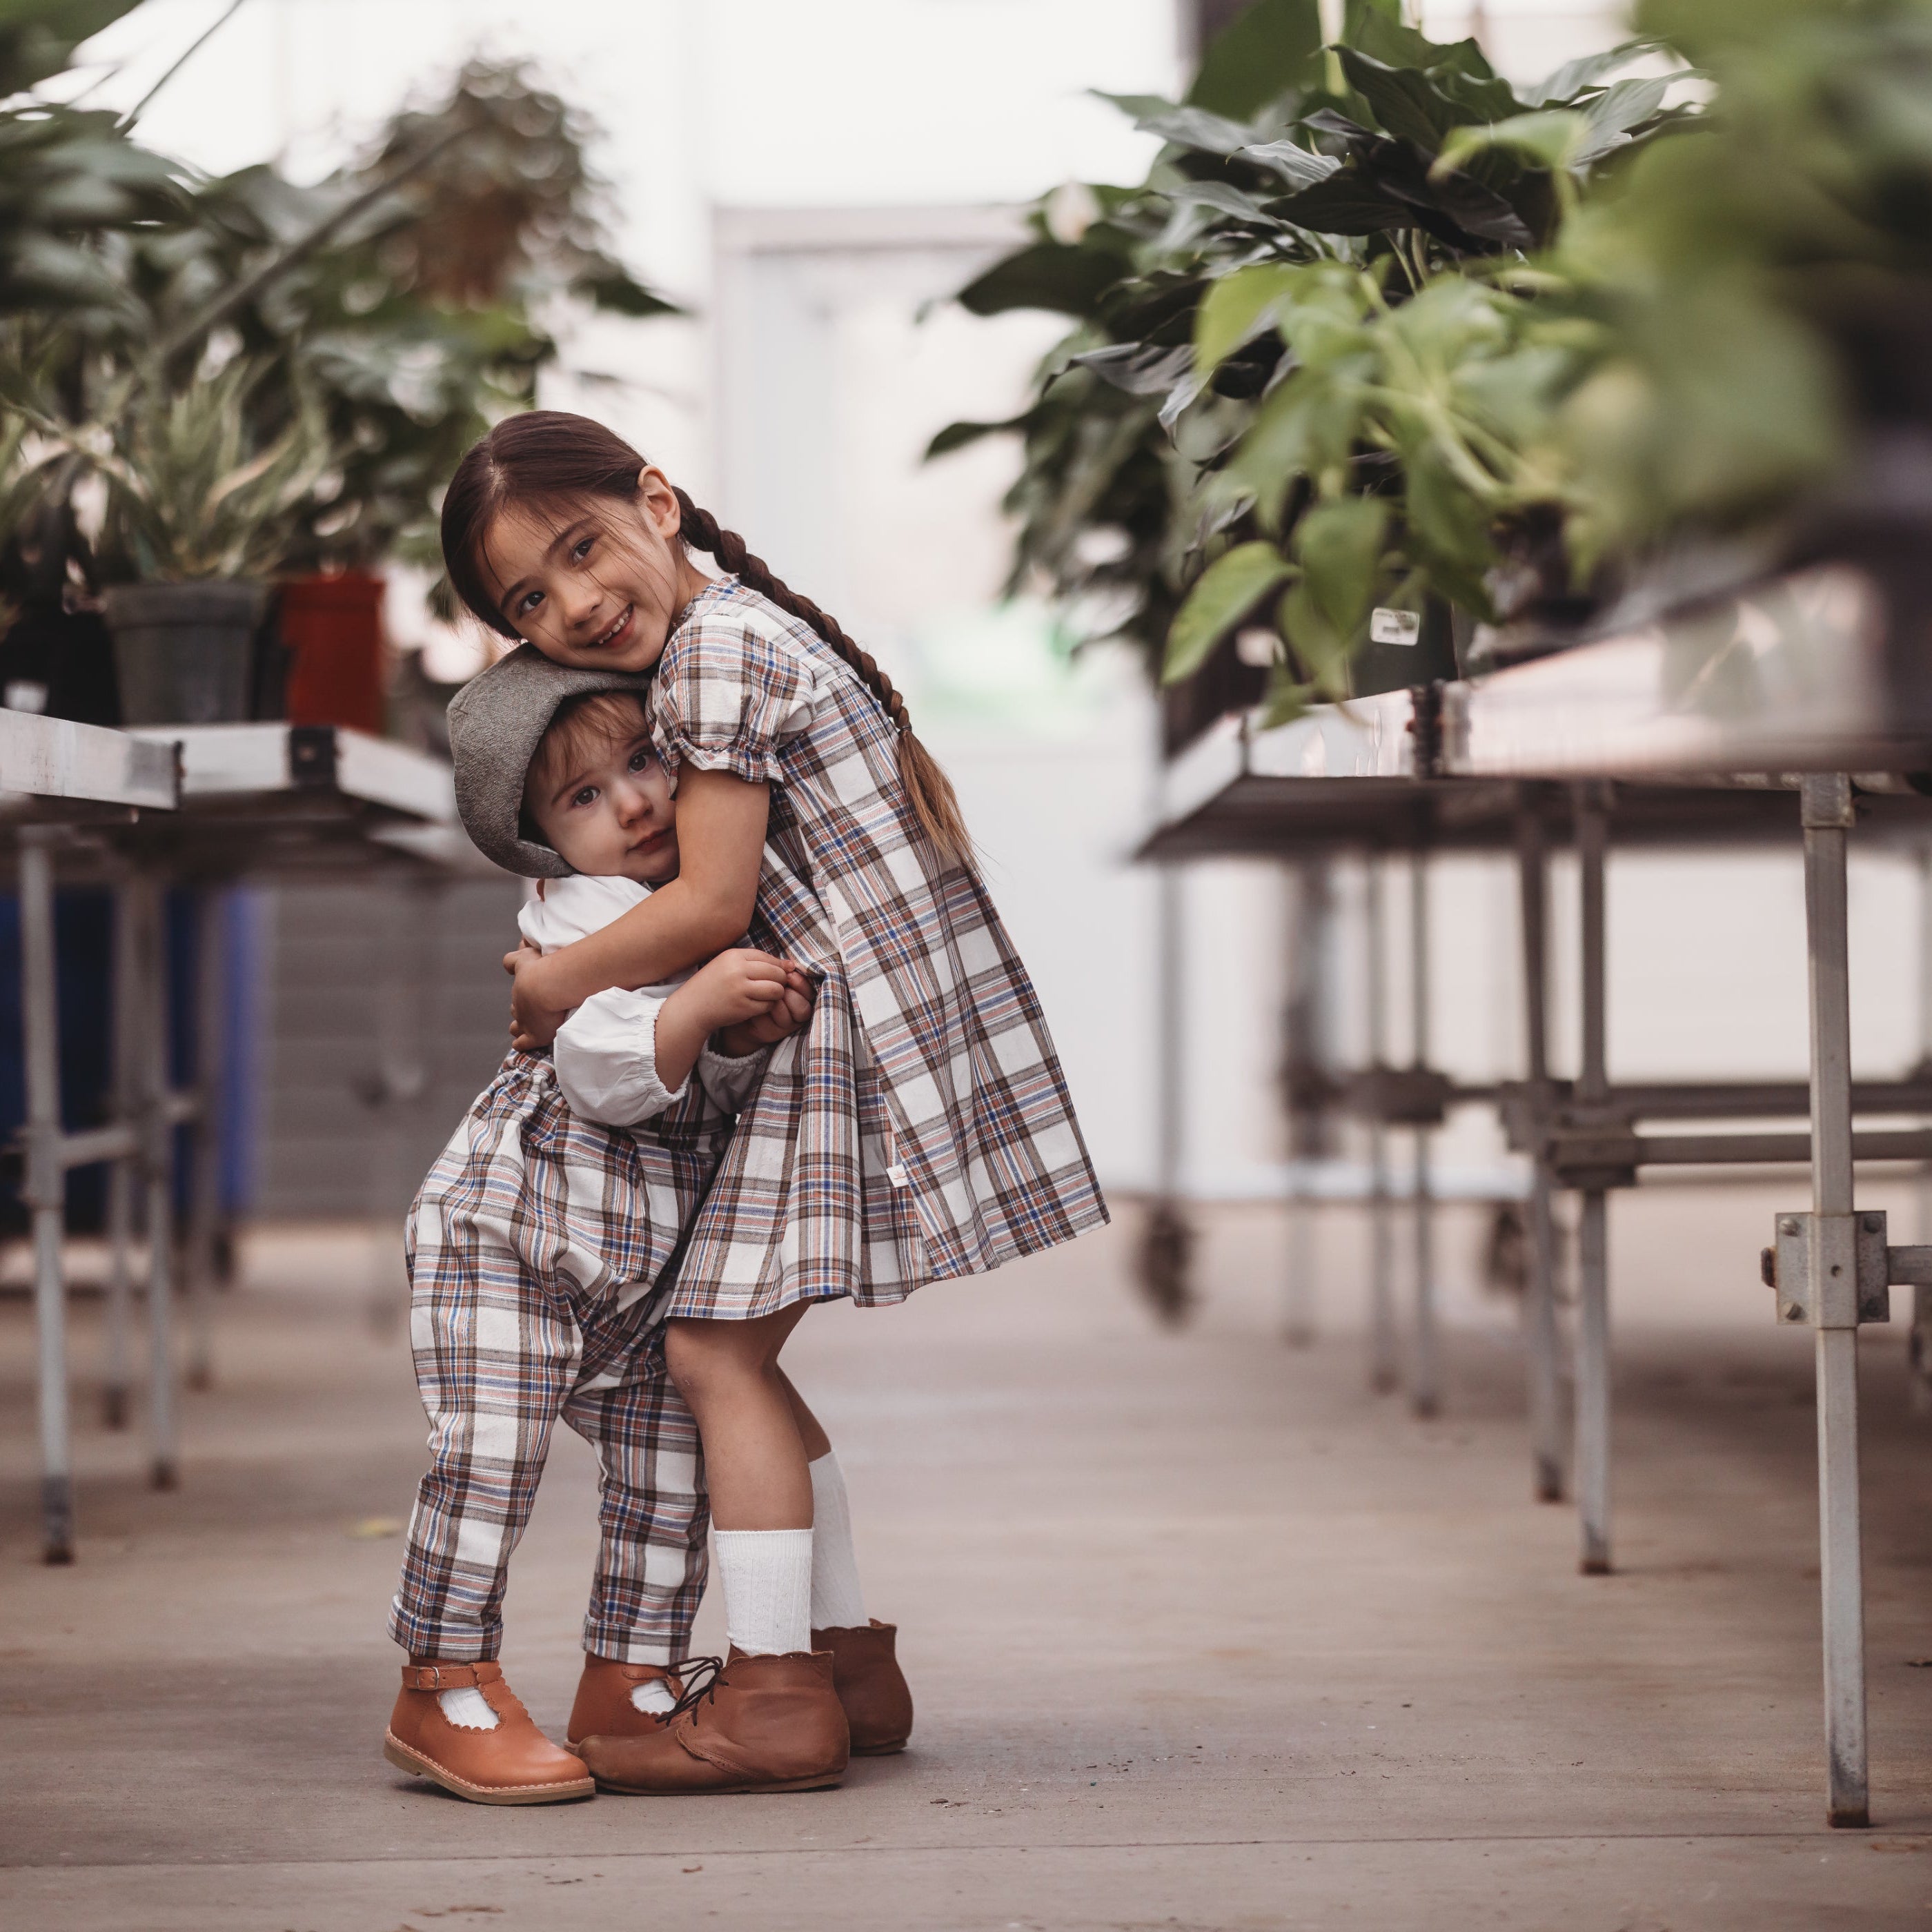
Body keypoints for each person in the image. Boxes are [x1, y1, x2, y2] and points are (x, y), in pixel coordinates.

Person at [434, 411, 1110, 1797]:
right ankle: (846, 1655)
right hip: (854, 1018)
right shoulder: (731, 631)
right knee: (732, 1355)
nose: (574, 602)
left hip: (842, 1032)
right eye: (529, 598)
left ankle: (773, 1691)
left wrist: (556, 978)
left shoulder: (718, 658)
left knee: (711, 1358)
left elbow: (710, 900)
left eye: (580, 546)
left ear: (657, 500)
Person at [384, 661, 815, 1805]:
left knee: (667, 1465)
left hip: (635, 1269)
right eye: (583, 798)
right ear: (541, 842)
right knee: (491, 1455)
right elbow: (596, 1064)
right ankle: (445, 1678)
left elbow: (704, 1092)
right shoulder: (581, 918)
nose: (631, 803)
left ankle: (628, 1675)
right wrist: (696, 1011)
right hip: (511, 1239)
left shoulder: (698, 905)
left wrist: (734, 1032)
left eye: (644, 762)